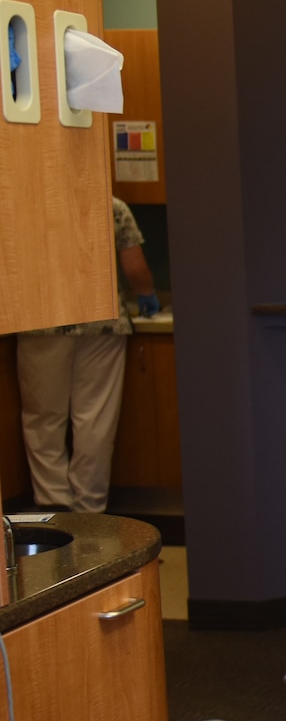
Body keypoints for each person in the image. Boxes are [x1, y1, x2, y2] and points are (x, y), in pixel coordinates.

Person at [15, 197, 159, 513]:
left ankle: (54, 510)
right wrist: (147, 294)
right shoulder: (112, 206)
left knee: (44, 420)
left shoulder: (26, 201)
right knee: (95, 419)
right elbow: (134, 266)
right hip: (102, 322)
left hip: (42, 320)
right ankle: (90, 512)